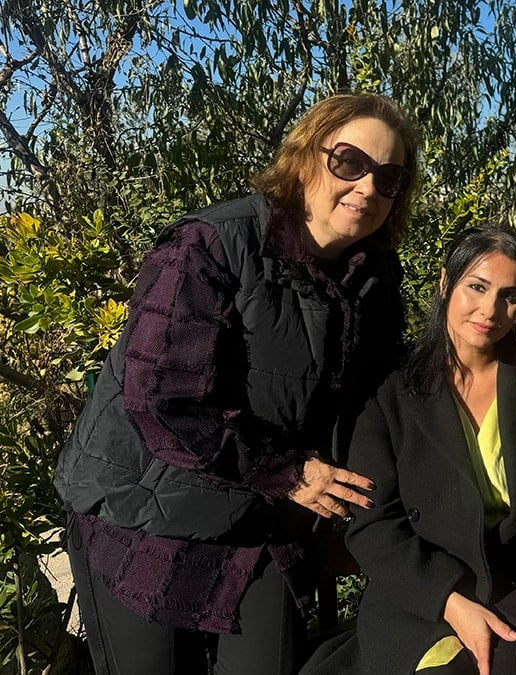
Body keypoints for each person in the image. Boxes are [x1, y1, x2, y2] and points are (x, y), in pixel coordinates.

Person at [54, 93, 419, 674]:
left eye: (390, 177)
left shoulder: (373, 277)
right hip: (143, 509)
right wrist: (293, 473)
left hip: (260, 518)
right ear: (305, 159)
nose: (368, 187)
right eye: (349, 162)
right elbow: (162, 400)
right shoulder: (209, 246)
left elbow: (380, 397)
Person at [301, 225, 516, 675]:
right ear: (445, 283)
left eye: (509, 296)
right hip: (420, 588)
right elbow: (375, 524)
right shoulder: (389, 390)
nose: (490, 310)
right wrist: (449, 600)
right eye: (477, 287)